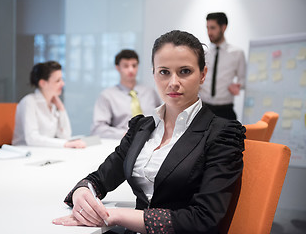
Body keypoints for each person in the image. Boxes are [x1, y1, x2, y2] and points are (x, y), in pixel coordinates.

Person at [52, 30, 245, 233]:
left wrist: (116, 216)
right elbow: (100, 178)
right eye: (164, 72)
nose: (173, 82)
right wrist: (82, 192)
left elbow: (204, 219)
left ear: (203, 74)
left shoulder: (222, 134)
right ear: (153, 73)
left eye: (185, 71)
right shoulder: (141, 128)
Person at [12, 61, 86, 148]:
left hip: (45, 152)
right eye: (58, 80)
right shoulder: (29, 102)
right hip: (26, 153)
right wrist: (65, 144)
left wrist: (61, 109)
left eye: (62, 80)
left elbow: (65, 136)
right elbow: (32, 139)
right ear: (43, 83)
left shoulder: (54, 105)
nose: (62, 84)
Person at [91, 49, 162, 139]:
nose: (131, 70)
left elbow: (162, 119)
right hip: (122, 143)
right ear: (118, 68)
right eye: (126, 66)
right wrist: (125, 134)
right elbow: (97, 129)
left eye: (134, 65)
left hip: (151, 141)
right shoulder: (107, 96)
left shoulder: (150, 92)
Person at [199, 12, 246, 120]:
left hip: (226, 111)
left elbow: (243, 79)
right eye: (207, 28)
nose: (209, 32)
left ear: (223, 28)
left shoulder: (237, 53)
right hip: (204, 109)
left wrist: (238, 86)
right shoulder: (202, 53)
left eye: (213, 28)